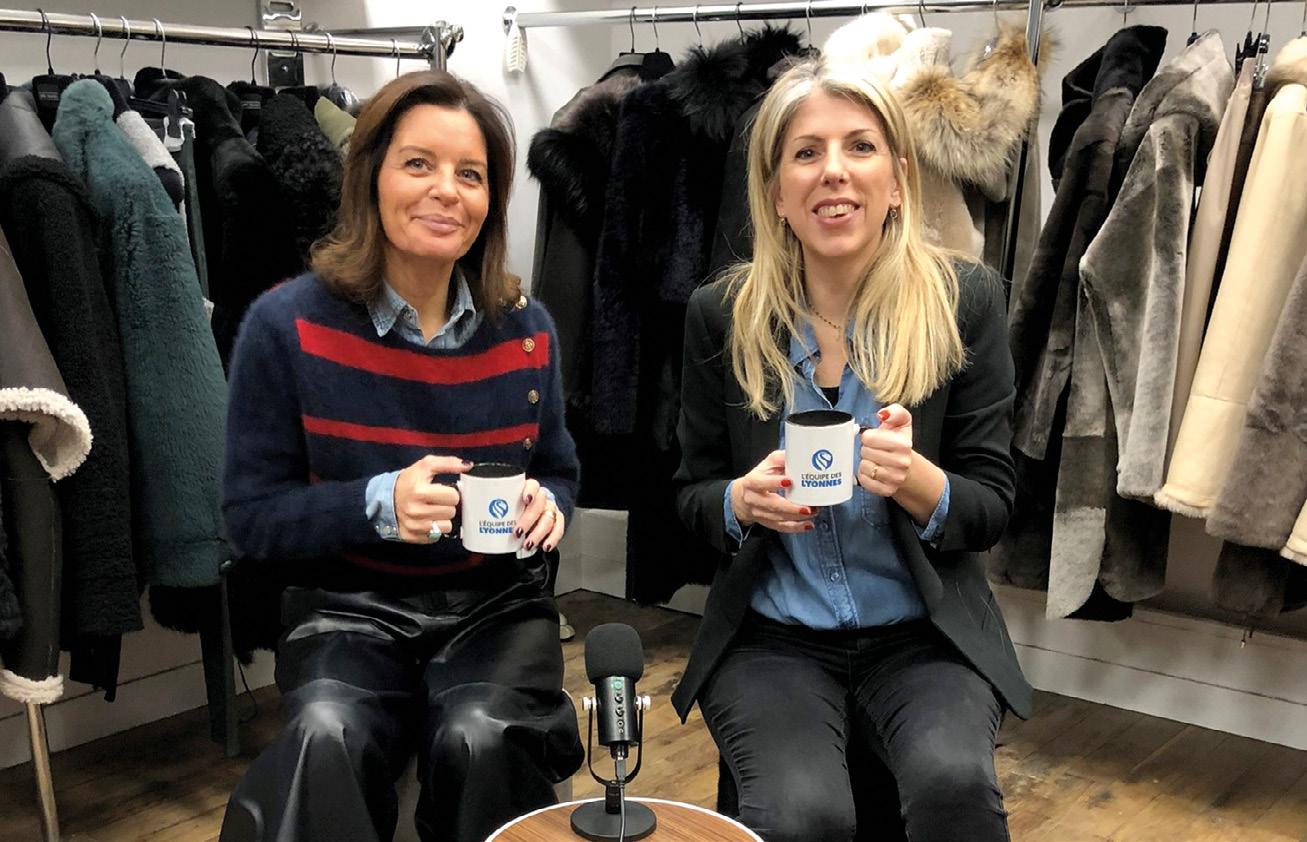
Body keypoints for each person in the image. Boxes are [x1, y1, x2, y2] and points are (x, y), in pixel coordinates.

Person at [671, 57, 1033, 842]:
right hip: (772, 639)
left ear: (897, 180)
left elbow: (993, 503)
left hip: (923, 637)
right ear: (775, 192)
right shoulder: (720, 315)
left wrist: (920, 482)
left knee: (954, 789)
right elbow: (690, 493)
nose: (833, 170)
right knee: (801, 817)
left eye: (859, 146)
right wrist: (737, 502)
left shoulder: (964, 301)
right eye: (805, 152)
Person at [218, 71, 583, 842]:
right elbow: (250, 518)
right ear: (370, 177)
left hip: (496, 608)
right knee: (325, 734)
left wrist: (548, 505)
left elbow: (555, 468)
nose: (446, 190)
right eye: (419, 163)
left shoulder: (527, 330)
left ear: (491, 201)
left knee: (481, 737)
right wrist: (375, 504)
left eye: (470, 174)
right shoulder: (285, 326)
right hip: (344, 609)